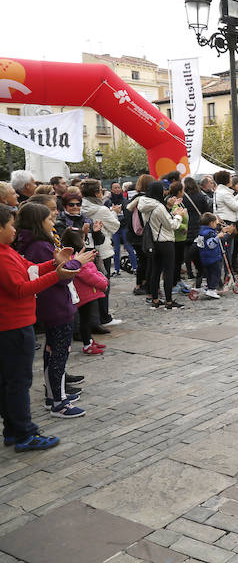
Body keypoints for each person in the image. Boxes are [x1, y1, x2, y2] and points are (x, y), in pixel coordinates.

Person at [0, 207, 93, 450]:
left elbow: (30, 269)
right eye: (10, 225)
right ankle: (24, 433)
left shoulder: (7, 250)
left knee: (11, 380)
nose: (14, 229)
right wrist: (59, 273)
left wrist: (53, 263)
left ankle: (13, 429)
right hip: (12, 325)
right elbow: (21, 288)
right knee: (18, 382)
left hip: (16, 323)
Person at [80, 179, 122, 329]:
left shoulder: (81, 206)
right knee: (104, 283)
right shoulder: (101, 209)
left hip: (86, 250)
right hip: (102, 249)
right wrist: (114, 214)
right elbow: (115, 226)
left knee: (91, 285)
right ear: (97, 192)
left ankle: (95, 317)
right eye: (100, 190)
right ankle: (104, 317)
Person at [138, 181, 187, 309]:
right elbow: (171, 225)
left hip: (153, 242)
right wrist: (178, 216)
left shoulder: (144, 205)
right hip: (165, 242)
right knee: (168, 272)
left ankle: (155, 299)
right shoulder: (158, 206)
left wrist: (169, 208)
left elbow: (158, 221)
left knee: (155, 271)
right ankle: (169, 302)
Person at [61, 228, 108, 356]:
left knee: (86, 319)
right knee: (85, 320)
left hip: (86, 293)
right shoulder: (77, 259)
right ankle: (87, 344)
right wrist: (103, 282)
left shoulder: (71, 257)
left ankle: (90, 341)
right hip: (86, 294)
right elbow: (89, 275)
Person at [212, 170, 238, 275]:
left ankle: (229, 273)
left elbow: (232, 201)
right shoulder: (223, 192)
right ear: (226, 180)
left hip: (225, 221)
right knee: (227, 251)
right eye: (229, 178)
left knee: (228, 250)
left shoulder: (222, 191)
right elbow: (236, 206)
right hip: (227, 223)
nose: (231, 180)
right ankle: (228, 274)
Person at [126, 174, 154, 296]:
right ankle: (144, 284)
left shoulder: (133, 199)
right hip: (143, 235)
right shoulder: (146, 200)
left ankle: (140, 284)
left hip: (133, 236)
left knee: (142, 261)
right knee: (147, 261)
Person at [182, 177, 211, 287]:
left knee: (188, 249)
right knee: (200, 248)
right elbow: (207, 210)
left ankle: (189, 272)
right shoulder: (200, 196)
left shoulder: (183, 198)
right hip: (200, 225)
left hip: (187, 225)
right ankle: (201, 270)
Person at [106, 182, 136, 276]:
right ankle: (116, 270)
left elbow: (128, 215)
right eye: (115, 188)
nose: (117, 189)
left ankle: (135, 267)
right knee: (116, 249)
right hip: (114, 228)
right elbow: (106, 214)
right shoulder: (108, 201)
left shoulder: (125, 200)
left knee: (129, 247)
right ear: (111, 189)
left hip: (124, 227)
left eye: (118, 187)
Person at [196, 213, 227, 299]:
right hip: (213, 257)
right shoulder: (209, 233)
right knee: (216, 273)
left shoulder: (201, 232)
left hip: (204, 256)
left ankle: (210, 288)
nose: (216, 224)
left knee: (209, 273)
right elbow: (211, 244)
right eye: (215, 222)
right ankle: (212, 289)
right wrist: (218, 237)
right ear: (211, 223)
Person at [166, 181, 190, 294]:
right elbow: (173, 221)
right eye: (183, 190)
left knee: (179, 262)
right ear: (179, 191)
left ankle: (177, 280)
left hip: (181, 238)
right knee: (175, 263)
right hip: (177, 237)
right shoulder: (173, 203)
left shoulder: (180, 202)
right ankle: (173, 284)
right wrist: (184, 226)